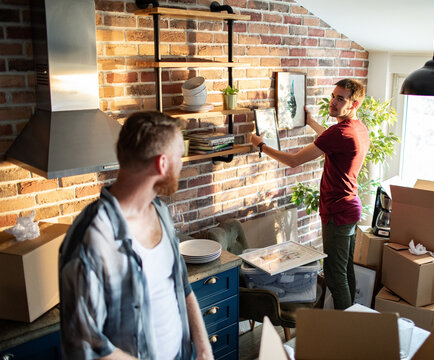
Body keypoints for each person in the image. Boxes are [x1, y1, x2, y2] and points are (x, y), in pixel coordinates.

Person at [59, 111, 213, 360]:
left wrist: (204, 349)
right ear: (162, 164)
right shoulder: (92, 238)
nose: (182, 164)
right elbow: (87, 346)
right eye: (179, 157)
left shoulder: (161, 211)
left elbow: (182, 286)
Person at [251, 79, 370, 310]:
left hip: (338, 212)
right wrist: (311, 122)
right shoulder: (358, 128)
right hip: (351, 208)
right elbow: (332, 139)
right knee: (345, 269)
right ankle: (354, 322)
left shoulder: (339, 133)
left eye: (340, 99)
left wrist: (261, 146)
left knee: (335, 277)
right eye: (334, 96)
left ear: (354, 104)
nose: (333, 102)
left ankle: (349, 330)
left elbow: (294, 161)